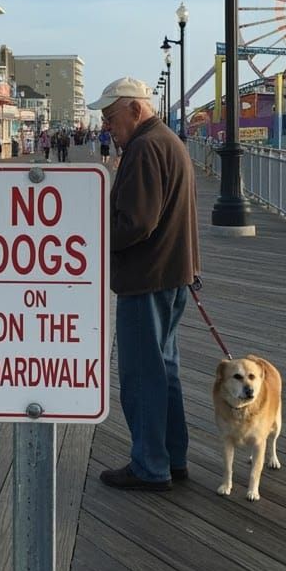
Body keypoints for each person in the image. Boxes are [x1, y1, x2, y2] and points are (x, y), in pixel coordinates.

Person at [88, 77, 201, 491]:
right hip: (172, 274)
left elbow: (136, 223)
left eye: (110, 116)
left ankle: (150, 465)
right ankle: (172, 457)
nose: (106, 126)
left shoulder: (144, 147)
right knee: (164, 370)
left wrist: (92, 239)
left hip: (146, 278)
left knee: (141, 375)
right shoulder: (168, 141)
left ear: (135, 109)